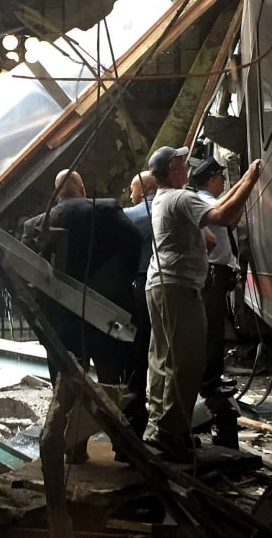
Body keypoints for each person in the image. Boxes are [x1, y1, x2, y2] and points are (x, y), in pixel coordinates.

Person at [143, 145, 261, 459]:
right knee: (188, 363)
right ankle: (171, 433)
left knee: (162, 360)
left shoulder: (163, 199)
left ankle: (157, 428)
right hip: (179, 288)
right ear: (173, 169)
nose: (187, 167)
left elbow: (221, 211)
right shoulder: (180, 197)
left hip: (159, 285)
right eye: (182, 163)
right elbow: (224, 216)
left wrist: (243, 181)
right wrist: (250, 179)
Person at [39, 169, 142, 461]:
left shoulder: (40, 223)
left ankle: (73, 450)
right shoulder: (107, 210)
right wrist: (121, 281)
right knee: (115, 381)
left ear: (57, 193)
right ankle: (124, 448)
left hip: (62, 321)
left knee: (67, 384)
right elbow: (134, 241)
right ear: (81, 187)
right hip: (106, 316)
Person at [190, 156, 239, 394]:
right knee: (212, 330)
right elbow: (228, 218)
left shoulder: (210, 200)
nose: (222, 182)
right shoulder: (204, 202)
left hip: (215, 271)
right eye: (221, 178)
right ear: (211, 179)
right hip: (211, 272)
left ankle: (213, 377)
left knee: (215, 327)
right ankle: (209, 383)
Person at [121, 170, 158, 439]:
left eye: (133, 189)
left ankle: (135, 419)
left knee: (138, 350)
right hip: (167, 285)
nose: (130, 193)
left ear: (143, 190)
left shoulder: (140, 212)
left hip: (143, 283)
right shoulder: (171, 205)